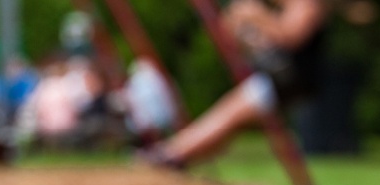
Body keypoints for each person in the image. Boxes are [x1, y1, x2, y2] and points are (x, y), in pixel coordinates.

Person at [138, 0, 328, 169]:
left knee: (228, 113)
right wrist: (239, 24)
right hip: (277, 79)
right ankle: (178, 155)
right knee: (230, 118)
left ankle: (171, 155)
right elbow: (249, 43)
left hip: (289, 80)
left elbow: (289, 37)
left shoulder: (306, 4)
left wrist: (257, 16)